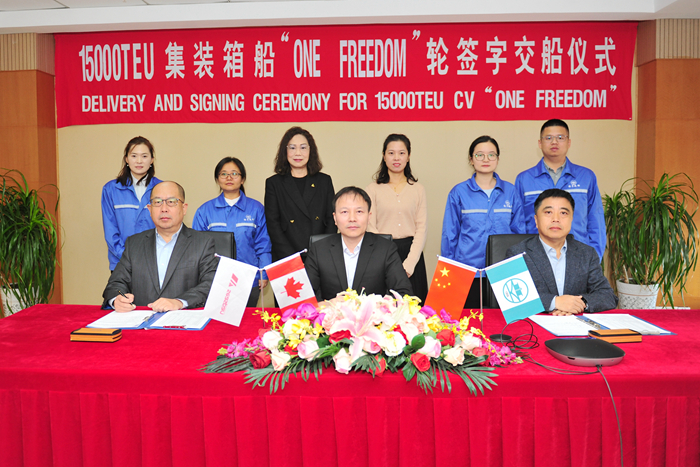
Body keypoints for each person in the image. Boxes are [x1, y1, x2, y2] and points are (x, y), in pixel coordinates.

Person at [102, 181, 218, 312]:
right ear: (149, 209)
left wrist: (179, 302)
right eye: (157, 202)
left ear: (184, 208)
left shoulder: (203, 243)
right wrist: (117, 299)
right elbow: (116, 283)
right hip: (141, 321)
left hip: (182, 320)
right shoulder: (134, 243)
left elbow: (211, 284)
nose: (164, 209)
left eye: (171, 202)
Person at [441, 135, 524, 308]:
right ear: (471, 160)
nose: (486, 159)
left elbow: (519, 234)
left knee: (505, 322)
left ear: (498, 159)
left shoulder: (511, 191)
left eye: (491, 155)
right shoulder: (458, 192)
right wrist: (450, 271)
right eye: (479, 155)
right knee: (468, 320)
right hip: (468, 272)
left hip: (504, 272)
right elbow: (450, 235)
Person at [506, 189, 617, 315]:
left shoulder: (587, 254)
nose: (556, 219)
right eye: (548, 212)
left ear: (571, 219)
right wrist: (555, 302)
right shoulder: (517, 253)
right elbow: (512, 299)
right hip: (535, 324)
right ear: (536, 220)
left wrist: (578, 304)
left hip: (575, 324)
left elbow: (608, 295)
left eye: (563, 213)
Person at [514, 119, 606, 261]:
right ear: (540, 143)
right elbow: (518, 225)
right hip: (536, 257)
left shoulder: (586, 177)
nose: (554, 142)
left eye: (560, 138)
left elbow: (596, 221)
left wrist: (594, 258)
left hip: (578, 256)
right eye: (548, 138)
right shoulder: (524, 179)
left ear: (569, 142)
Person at [305, 186, 413, 301]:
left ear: (369, 217)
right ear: (335, 218)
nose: (352, 218)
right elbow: (303, 298)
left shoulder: (386, 249)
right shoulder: (319, 250)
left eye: (359, 212)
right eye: (344, 212)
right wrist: (328, 305)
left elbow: (404, 294)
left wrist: (372, 306)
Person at [192, 157, 272, 308]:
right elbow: (196, 248)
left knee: (247, 319)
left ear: (242, 179)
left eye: (234, 173)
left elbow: (263, 244)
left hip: (249, 278)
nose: (229, 178)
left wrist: (264, 273)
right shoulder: (205, 211)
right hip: (215, 280)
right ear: (217, 179)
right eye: (224, 174)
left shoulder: (256, 208)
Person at [365, 134, 428, 302]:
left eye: (401, 153)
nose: (396, 158)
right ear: (384, 156)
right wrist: (383, 258)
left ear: (408, 156)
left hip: (411, 253)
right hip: (382, 252)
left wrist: (409, 264)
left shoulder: (418, 189)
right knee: (384, 309)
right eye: (391, 153)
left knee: (415, 309)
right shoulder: (372, 189)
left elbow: (421, 228)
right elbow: (369, 226)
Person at [264, 127, 336, 263]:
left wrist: (322, 251)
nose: (298, 153)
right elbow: (273, 224)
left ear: (310, 151)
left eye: (303, 148)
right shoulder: (274, 183)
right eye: (292, 148)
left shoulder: (324, 181)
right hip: (286, 257)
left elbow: (331, 219)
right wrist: (292, 258)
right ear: (285, 151)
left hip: (320, 255)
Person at [101, 136, 162, 271]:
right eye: (134, 156)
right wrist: (127, 256)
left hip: (155, 262)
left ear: (152, 160)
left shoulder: (162, 188)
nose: (139, 161)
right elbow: (110, 229)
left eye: (144, 156)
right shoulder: (111, 189)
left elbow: (168, 226)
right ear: (127, 159)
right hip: (121, 262)